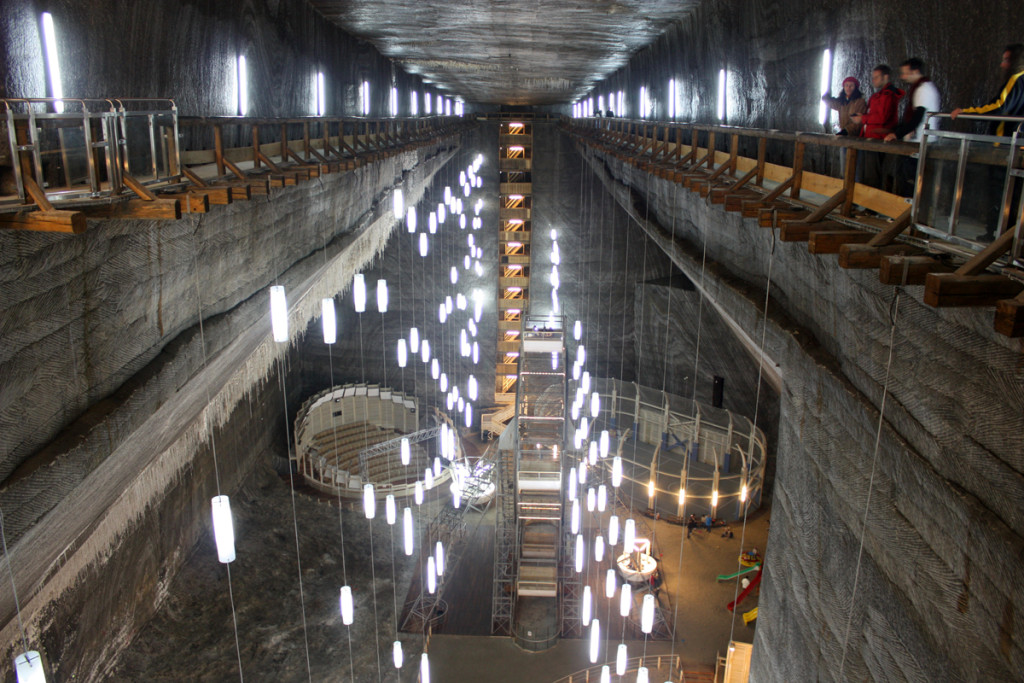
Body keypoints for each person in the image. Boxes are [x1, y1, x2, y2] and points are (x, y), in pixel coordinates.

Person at [951, 45, 1024, 239]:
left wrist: (968, 112)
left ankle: (999, 234)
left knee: (1001, 192)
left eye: (1007, 60)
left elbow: (1000, 106)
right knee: (1011, 193)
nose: (1002, 64)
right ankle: (1005, 235)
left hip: (1005, 146)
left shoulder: (1017, 79)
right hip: (1015, 146)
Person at [884, 58, 942, 196]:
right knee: (907, 178)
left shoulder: (923, 89)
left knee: (909, 180)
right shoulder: (923, 88)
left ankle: (907, 213)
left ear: (915, 71)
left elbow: (917, 117)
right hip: (918, 140)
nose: (902, 77)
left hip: (919, 142)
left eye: (905, 73)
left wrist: (897, 134)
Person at [849, 65, 904, 189]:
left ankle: (872, 207)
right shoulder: (878, 95)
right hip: (870, 137)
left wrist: (862, 118)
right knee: (867, 174)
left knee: (873, 176)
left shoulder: (888, 95)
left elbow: (882, 118)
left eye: (876, 77)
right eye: (872, 77)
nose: (873, 80)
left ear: (886, 77)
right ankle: (867, 204)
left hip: (878, 138)